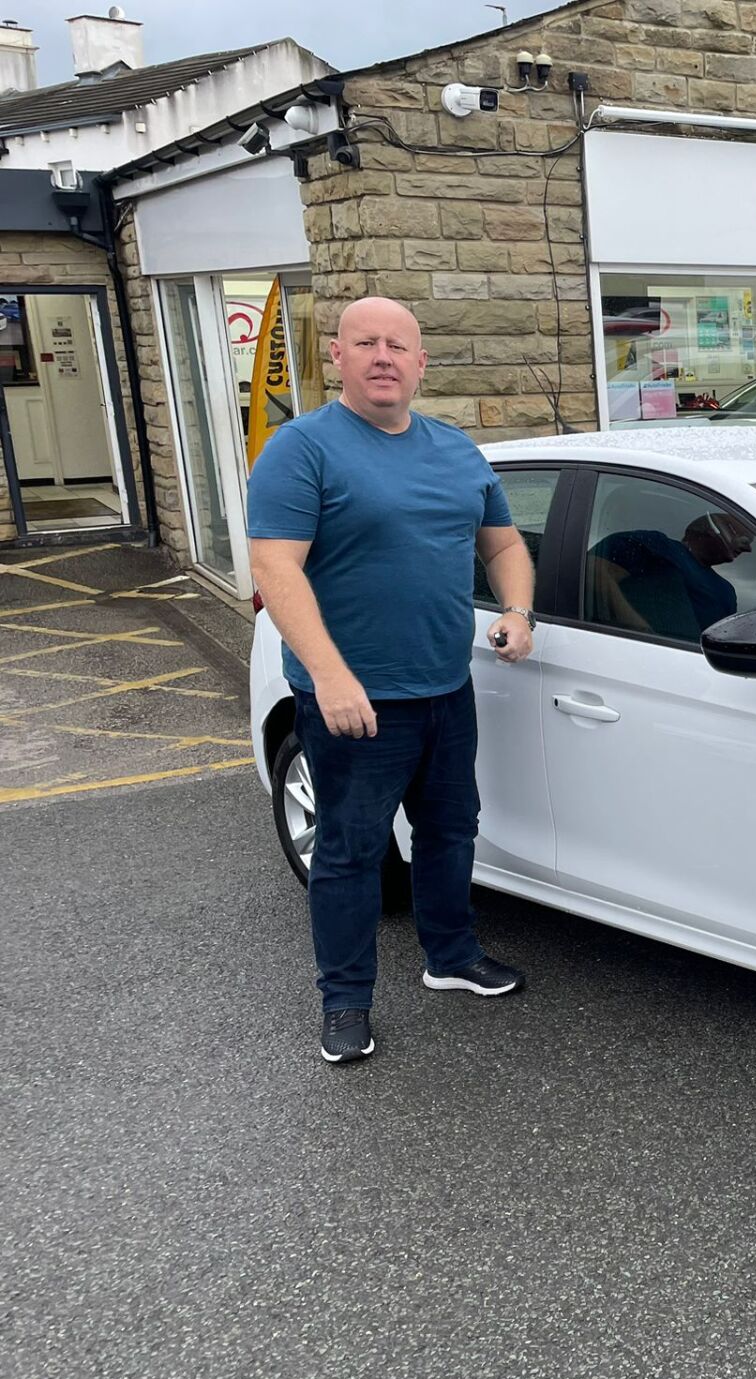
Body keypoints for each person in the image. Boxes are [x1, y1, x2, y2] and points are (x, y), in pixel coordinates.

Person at [248, 295, 535, 1066]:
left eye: (398, 345)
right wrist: (330, 675)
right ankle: (344, 1001)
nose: (383, 357)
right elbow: (276, 566)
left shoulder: (455, 450)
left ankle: (449, 957)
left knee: (450, 828)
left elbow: (503, 544)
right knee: (350, 849)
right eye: (365, 343)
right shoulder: (301, 449)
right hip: (354, 699)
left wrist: (517, 609)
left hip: (446, 686)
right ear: (336, 357)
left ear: (420, 363)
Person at [587, 506, 754, 639]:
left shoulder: (726, 591)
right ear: (711, 528)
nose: (748, 548)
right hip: (641, 654)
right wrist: (637, 627)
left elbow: (726, 642)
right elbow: (594, 568)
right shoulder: (658, 545)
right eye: (743, 537)